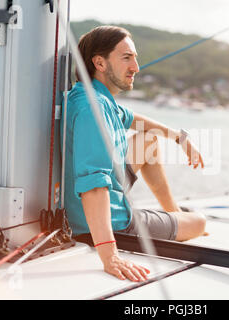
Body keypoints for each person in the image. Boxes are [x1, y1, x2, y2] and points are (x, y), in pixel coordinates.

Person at [63, 26, 207, 282]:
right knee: (199, 222)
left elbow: (135, 120)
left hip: (102, 200)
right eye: (127, 57)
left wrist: (179, 137)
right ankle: (180, 219)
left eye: (135, 58)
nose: (136, 67)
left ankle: (172, 211)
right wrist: (110, 256)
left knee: (150, 140)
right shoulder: (92, 108)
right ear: (100, 63)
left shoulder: (93, 96)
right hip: (115, 222)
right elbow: (93, 185)